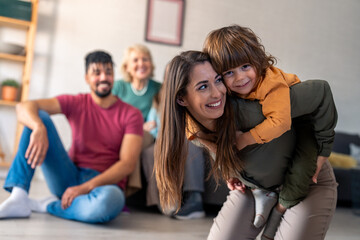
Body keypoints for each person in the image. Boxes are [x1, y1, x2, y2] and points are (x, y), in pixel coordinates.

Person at [154, 51, 337, 240]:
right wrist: (231, 172)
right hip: (254, 188)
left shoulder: (255, 108)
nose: (218, 93)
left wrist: (324, 148)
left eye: (218, 80)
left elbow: (320, 93)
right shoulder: (192, 129)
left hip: (308, 182)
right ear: (181, 99)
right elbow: (220, 149)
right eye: (202, 87)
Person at [201, 25, 337, 237]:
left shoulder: (272, 86)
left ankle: (275, 220)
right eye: (229, 72)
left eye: (245, 66)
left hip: (302, 137)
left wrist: (245, 139)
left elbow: (281, 121)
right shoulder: (226, 97)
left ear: (257, 60)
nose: (239, 78)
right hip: (259, 182)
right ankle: (265, 198)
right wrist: (231, 171)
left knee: (301, 171)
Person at [0, 50, 144, 223]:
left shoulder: (132, 114)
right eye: (96, 73)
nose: (103, 77)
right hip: (68, 177)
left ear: (114, 76)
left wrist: (86, 188)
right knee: (38, 116)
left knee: (109, 203)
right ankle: (19, 196)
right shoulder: (76, 102)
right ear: (86, 78)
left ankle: (49, 206)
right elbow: (24, 106)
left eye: (108, 72)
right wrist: (38, 126)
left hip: (104, 186)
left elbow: (127, 164)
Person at [112, 44, 206, 219]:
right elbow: (111, 114)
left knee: (168, 147)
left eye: (145, 59)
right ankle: (157, 200)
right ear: (127, 67)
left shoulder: (165, 90)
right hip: (136, 135)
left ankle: (184, 200)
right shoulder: (126, 88)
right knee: (144, 151)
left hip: (164, 136)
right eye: (136, 60)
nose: (141, 63)